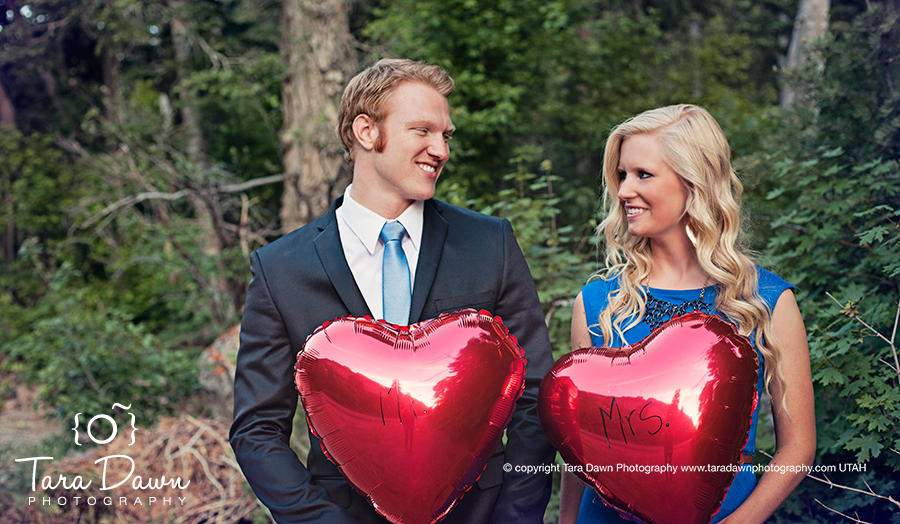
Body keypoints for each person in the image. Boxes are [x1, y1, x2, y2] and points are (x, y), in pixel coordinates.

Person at [229, 58, 555, 524]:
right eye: (422, 130)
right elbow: (256, 430)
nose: (439, 149)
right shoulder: (281, 269)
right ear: (366, 132)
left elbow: (534, 398)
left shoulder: (489, 244)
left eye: (446, 135)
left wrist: (517, 515)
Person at [558, 105, 816, 524]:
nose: (623, 191)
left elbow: (798, 447)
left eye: (643, 175)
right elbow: (578, 447)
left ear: (693, 182)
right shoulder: (597, 302)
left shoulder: (764, 300)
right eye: (622, 175)